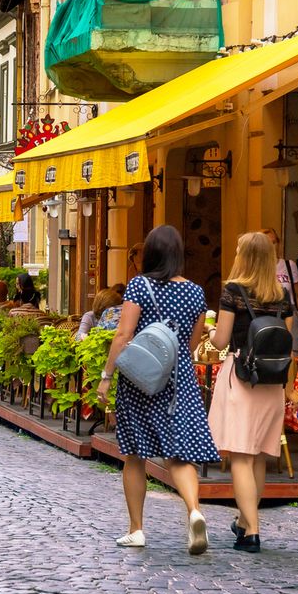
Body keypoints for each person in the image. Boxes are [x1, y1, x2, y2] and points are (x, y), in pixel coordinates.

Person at [97, 225, 217, 555]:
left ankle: (136, 529)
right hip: (179, 380)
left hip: (141, 381)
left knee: (135, 455)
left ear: (149, 253)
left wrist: (107, 376)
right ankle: (194, 510)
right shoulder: (195, 292)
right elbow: (192, 343)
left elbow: (123, 335)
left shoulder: (139, 285)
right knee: (179, 454)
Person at [207, 233, 293, 553]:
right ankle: (244, 522)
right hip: (272, 383)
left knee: (240, 456)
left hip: (242, 378)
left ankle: (252, 531)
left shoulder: (233, 292)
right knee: (257, 455)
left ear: (243, 256)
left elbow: (220, 341)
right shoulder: (281, 295)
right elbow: (287, 342)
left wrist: (211, 329)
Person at [263, 227, 298, 351]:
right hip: (267, 314)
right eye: (268, 243)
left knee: (294, 353)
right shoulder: (258, 269)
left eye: (274, 242)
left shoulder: (289, 266)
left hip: (290, 313)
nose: (272, 246)